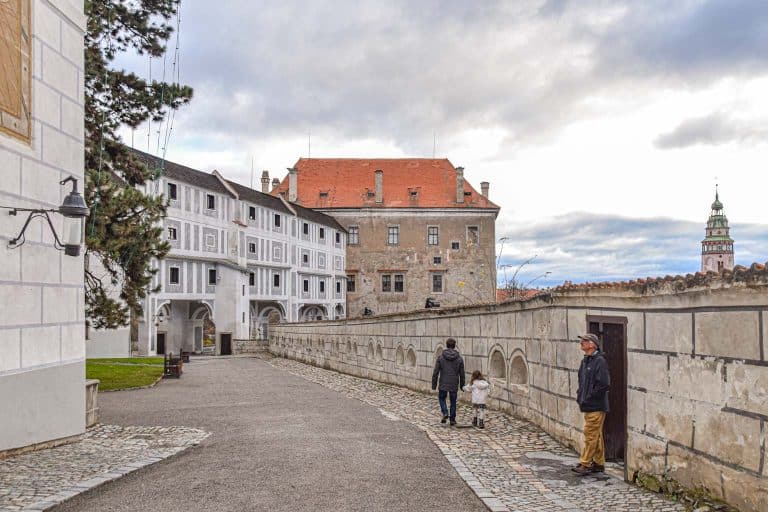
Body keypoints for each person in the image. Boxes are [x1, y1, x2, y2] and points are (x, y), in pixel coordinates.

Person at [572, 333, 611, 475]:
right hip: (587, 404)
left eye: (584, 341)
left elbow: (604, 384)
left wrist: (589, 397)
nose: (581, 343)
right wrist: (580, 395)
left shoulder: (599, 361)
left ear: (592, 344)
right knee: (596, 434)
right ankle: (599, 463)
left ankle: (585, 463)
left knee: (590, 434)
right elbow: (581, 381)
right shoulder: (586, 361)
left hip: (596, 405)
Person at [431, 338, 465, 426]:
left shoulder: (441, 357)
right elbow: (462, 374)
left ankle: (445, 412)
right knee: (453, 401)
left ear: (446, 345)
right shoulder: (459, 359)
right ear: (454, 346)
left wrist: (434, 385)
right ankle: (452, 419)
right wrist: (462, 385)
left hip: (443, 383)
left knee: (442, 398)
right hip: (454, 383)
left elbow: (435, 372)